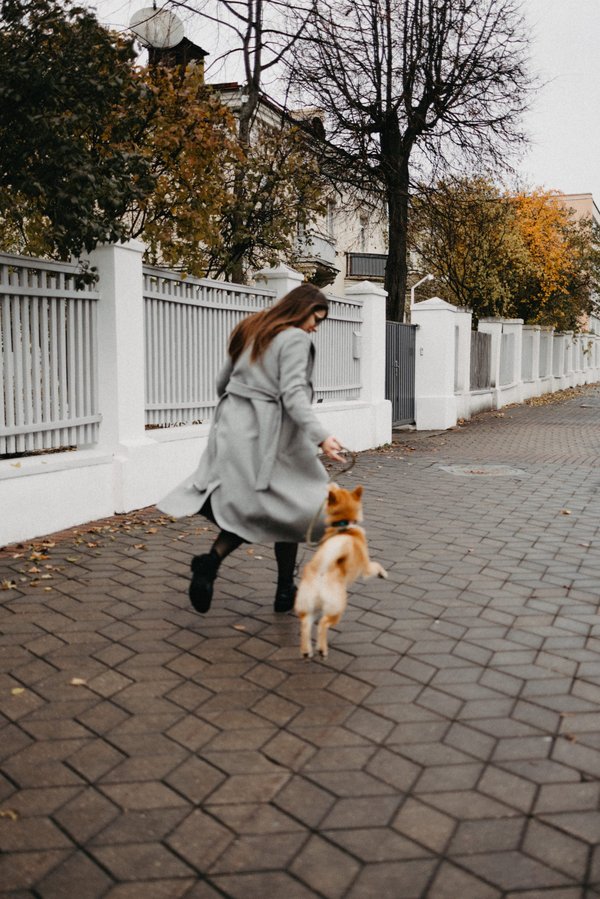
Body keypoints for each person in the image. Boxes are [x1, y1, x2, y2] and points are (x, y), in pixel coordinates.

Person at [157, 283, 345, 614]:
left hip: (235, 431)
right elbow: (293, 394)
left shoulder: (250, 327)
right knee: (297, 505)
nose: (315, 327)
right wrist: (321, 436)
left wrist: (244, 406)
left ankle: (220, 567)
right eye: (315, 319)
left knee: (273, 507)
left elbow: (222, 384)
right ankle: (279, 587)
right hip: (273, 439)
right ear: (300, 309)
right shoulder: (294, 338)